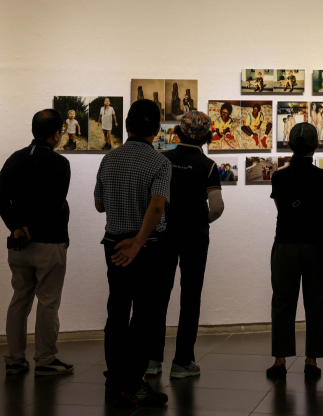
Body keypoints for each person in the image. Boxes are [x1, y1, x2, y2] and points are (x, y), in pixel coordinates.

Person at [94, 99, 171, 407]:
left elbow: (99, 204)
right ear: (156, 129)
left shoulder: (109, 159)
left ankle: (115, 376)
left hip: (113, 243)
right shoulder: (160, 163)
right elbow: (157, 205)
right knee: (144, 315)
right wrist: (138, 241)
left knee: (117, 310)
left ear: (125, 125)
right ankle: (132, 383)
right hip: (146, 246)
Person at [0, 109, 73, 377]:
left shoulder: (14, 159)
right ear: (55, 134)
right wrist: (33, 229)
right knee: (48, 302)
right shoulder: (59, 163)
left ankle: (14, 359)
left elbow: (0, 199)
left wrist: (17, 227)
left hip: (18, 245)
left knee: (19, 299)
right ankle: (45, 360)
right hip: (49, 242)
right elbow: (55, 203)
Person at [146, 111, 224, 379]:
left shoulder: (161, 160)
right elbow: (217, 206)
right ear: (207, 137)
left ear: (177, 134)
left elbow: (152, 202)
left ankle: (152, 360)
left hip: (164, 234)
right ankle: (182, 362)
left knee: (158, 295)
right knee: (190, 296)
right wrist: (203, 221)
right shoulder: (209, 166)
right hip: (195, 236)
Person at [266, 122, 323, 381]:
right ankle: (312, 361)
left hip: (285, 243)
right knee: (316, 304)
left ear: (290, 145)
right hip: (317, 245)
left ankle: (280, 360)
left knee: (282, 303)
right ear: (316, 145)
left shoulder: (279, 176)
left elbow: (281, 209)